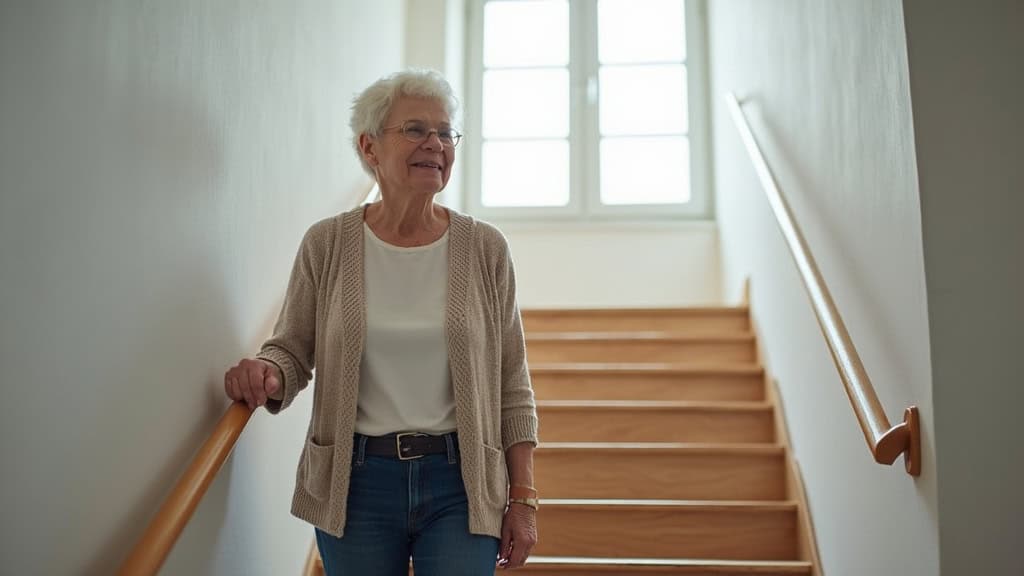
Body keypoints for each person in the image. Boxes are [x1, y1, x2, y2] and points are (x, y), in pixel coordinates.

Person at [223, 69, 539, 575]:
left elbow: (512, 382)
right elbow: (292, 349)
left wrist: (523, 497)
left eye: (444, 132)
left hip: (462, 481)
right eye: (415, 130)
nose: (435, 143)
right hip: (355, 482)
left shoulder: (485, 248)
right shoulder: (327, 244)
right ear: (370, 148)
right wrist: (267, 371)